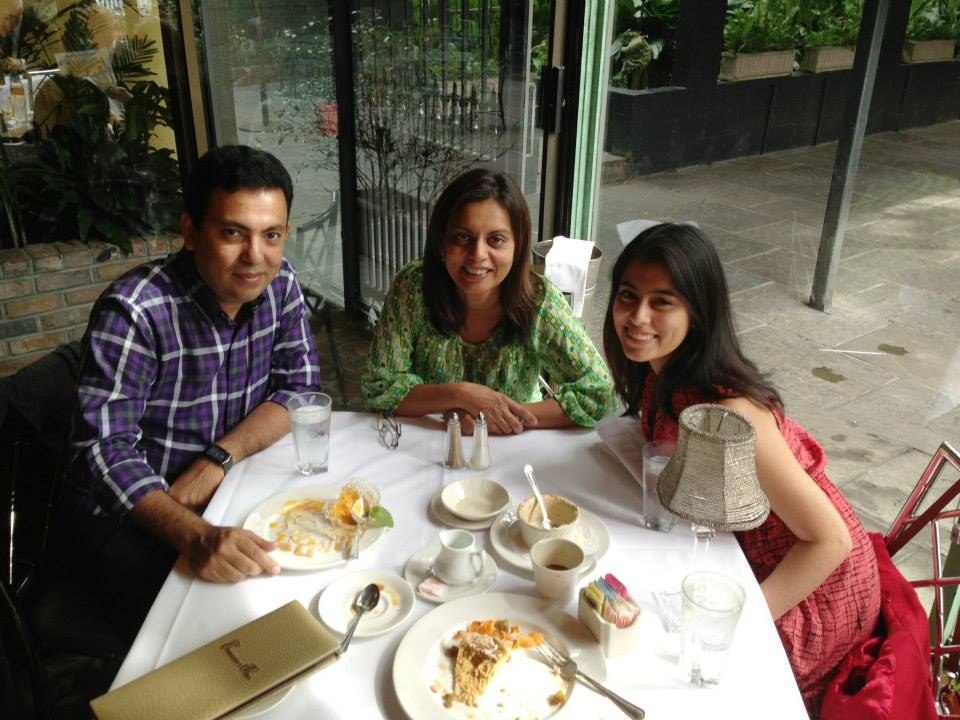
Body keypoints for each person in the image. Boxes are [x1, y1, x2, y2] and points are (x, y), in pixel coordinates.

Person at [602, 223, 880, 716]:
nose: (637, 317)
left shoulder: (732, 414)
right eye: (628, 296)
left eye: (662, 301)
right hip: (737, 555)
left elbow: (831, 540)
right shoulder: (661, 371)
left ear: (699, 313)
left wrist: (734, 625)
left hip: (812, 589)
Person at [67, 145, 320, 640]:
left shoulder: (280, 283)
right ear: (189, 231)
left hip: (228, 493)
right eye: (232, 233)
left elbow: (299, 389)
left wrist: (217, 459)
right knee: (229, 642)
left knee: (318, 590)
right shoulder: (136, 311)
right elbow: (100, 449)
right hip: (137, 521)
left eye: (271, 235)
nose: (256, 257)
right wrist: (193, 533)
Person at [361, 168, 615, 435]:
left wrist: (496, 416)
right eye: (462, 237)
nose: (477, 254)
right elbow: (379, 387)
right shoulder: (413, 287)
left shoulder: (539, 300)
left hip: (516, 446)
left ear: (517, 247)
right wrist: (461, 394)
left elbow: (599, 394)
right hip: (428, 443)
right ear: (441, 239)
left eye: (496, 240)